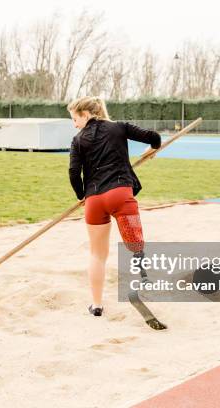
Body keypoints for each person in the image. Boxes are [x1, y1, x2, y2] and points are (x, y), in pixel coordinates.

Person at [67, 96, 162, 317]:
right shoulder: (119, 127)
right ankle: (143, 282)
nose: (74, 124)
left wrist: (82, 195)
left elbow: (73, 173)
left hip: (94, 201)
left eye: (75, 119)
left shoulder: (77, 140)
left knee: (97, 254)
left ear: (85, 114)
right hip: (120, 195)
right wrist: (152, 150)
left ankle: (97, 305)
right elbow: (154, 137)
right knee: (135, 243)